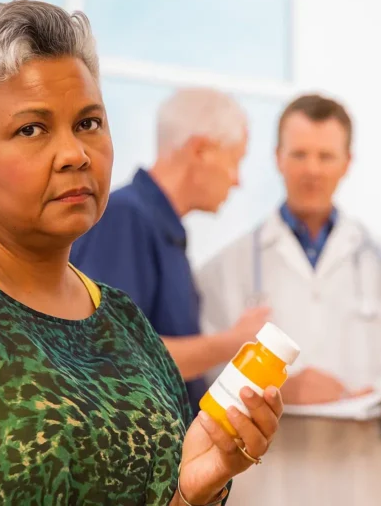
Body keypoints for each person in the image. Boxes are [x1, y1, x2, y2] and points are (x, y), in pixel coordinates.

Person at [0, 0, 283, 505]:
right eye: (32, 129)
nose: (74, 154)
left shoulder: (125, 322)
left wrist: (197, 485)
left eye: (89, 123)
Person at [196, 94, 381, 505]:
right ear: (277, 158)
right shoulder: (225, 267)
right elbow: (210, 371)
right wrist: (280, 389)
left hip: (365, 477)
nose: (312, 169)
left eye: (326, 156)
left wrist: (370, 394)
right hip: (270, 479)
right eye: (300, 154)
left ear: (347, 162)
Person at [70, 88, 270, 416]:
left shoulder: (165, 232)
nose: (237, 181)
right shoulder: (125, 218)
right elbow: (112, 356)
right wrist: (233, 341)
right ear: (202, 150)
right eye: (236, 160)